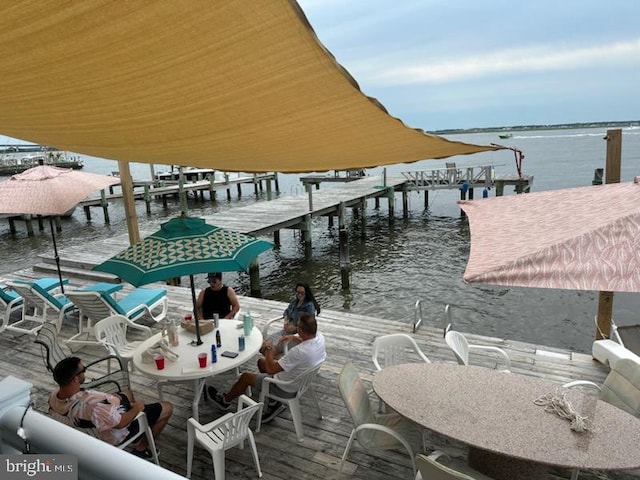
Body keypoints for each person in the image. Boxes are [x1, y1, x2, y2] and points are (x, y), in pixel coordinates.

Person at [208, 312, 326, 423]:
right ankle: (273, 403)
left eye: (297, 326)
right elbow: (306, 338)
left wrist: (269, 349)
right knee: (261, 362)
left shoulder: (299, 351)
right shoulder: (320, 338)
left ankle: (225, 401)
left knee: (245, 377)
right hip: (299, 382)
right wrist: (293, 338)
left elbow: (271, 369)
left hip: (284, 387)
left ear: (300, 329)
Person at [48, 357, 173, 459]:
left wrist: (113, 400)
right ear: (75, 379)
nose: (85, 371)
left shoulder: (54, 396)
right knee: (167, 407)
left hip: (102, 415)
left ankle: (141, 428)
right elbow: (120, 424)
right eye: (83, 370)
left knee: (127, 393)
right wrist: (137, 408)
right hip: (116, 432)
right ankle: (141, 448)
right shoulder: (93, 406)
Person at [269, 283, 320, 353]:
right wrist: (286, 322)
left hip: (298, 334)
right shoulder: (295, 302)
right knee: (267, 341)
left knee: (273, 348)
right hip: (287, 330)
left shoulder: (309, 306)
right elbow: (286, 312)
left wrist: (295, 328)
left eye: (302, 293)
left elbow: (309, 326)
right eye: (298, 293)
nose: (299, 295)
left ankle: (272, 360)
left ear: (306, 293)